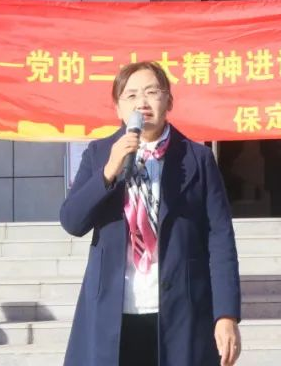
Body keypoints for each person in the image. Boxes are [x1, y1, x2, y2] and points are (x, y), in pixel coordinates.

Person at [60, 61, 242, 366]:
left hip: (180, 310)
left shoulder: (197, 159)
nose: (141, 102)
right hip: (113, 309)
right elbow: (72, 221)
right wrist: (109, 171)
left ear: (168, 101)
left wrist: (226, 314)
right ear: (118, 108)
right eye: (131, 95)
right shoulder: (99, 154)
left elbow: (220, 238)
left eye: (151, 92)